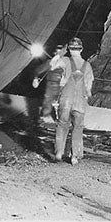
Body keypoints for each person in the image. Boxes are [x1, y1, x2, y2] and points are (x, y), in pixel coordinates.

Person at [50, 37, 94, 165]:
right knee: (78, 128)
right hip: (80, 101)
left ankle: (58, 153)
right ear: (81, 49)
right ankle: (75, 157)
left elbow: (52, 66)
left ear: (69, 49)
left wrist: (59, 54)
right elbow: (89, 88)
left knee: (62, 124)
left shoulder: (65, 60)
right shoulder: (88, 65)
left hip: (66, 99)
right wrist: (86, 95)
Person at [32, 44, 66, 124]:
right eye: (57, 52)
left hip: (62, 87)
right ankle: (43, 118)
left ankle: (61, 121)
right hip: (51, 86)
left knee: (61, 104)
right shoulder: (50, 62)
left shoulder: (66, 62)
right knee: (47, 103)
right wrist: (35, 79)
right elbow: (38, 70)